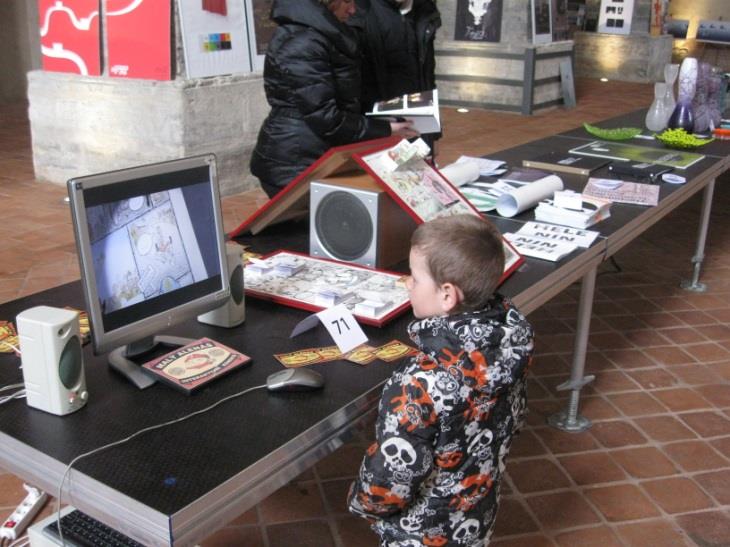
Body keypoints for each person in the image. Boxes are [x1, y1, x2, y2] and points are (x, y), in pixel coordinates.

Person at [347, 214, 534, 546]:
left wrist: (363, 503)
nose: (407, 284)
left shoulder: (417, 387)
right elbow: (513, 418)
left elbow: (391, 478)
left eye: (415, 279)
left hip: (418, 535)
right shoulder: (509, 345)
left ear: (447, 295)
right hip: (477, 517)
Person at [250, 0, 418, 198]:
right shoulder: (302, 41)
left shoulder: (322, 35)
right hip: (294, 161)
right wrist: (385, 129)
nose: (353, 9)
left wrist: (379, 121)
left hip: (313, 153)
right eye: (347, 1)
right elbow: (325, 117)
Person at [349, 0, 441, 112]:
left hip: (419, 117)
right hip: (374, 120)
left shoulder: (425, 9)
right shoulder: (356, 10)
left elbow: (427, 73)